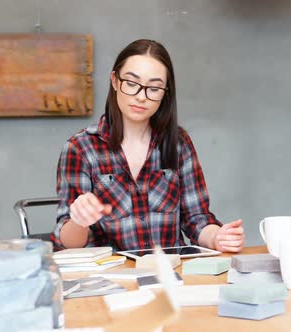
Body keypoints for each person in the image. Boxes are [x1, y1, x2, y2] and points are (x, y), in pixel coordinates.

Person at [51, 39, 245, 253]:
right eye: (132, 84)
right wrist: (79, 220)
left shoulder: (178, 144)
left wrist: (217, 237)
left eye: (153, 88)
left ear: (165, 93)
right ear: (115, 81)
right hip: (113, 279)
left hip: (170, 276)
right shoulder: (81, 148)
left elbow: (196, 219)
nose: (141, 97)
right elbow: (67, 243)